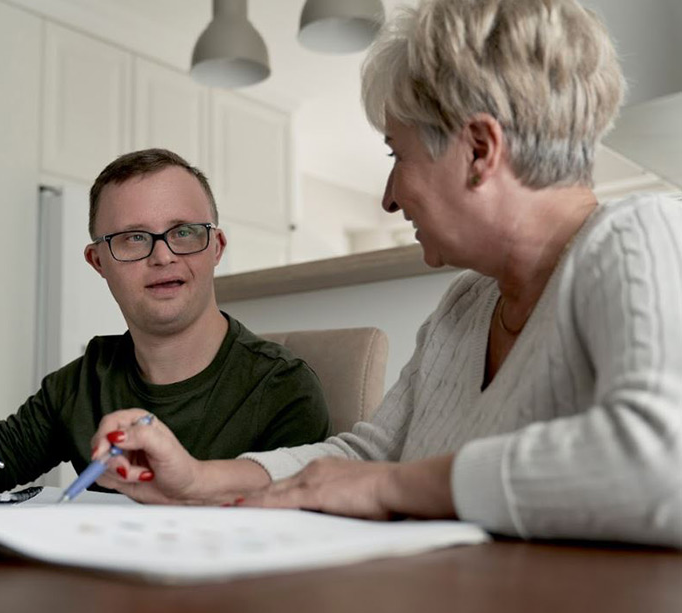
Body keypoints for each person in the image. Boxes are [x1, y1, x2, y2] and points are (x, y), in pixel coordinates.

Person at [86, 0, 682, 548]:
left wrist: (389, 487)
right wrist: (196, 479)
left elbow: (664, 462)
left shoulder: (637, 234)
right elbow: (366, 454)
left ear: (479, 150)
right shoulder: (464, 306)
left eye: (398, 155)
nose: (390, 198)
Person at [0, 148, 330, 494]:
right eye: (134, 238)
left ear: (216, 247)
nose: (163, 254)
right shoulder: (81, 383)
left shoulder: (284, 390)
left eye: (184, 232)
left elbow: (289, 519)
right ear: (98, 262)